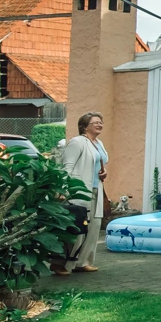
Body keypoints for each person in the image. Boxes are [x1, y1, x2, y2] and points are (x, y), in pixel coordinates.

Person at [55, 112, 107, 273]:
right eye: (95, 122)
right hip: (79, 190)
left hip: (96, 188)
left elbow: (99, 163)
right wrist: (63, 189)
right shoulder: (77, 142)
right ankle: (62, 263)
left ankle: (82, 262)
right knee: (77, 226)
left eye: (101, 122)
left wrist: (104, 173)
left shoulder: (99, 143)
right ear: (85, 126)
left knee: (94, 226)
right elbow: (67, 167)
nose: (99, 125)